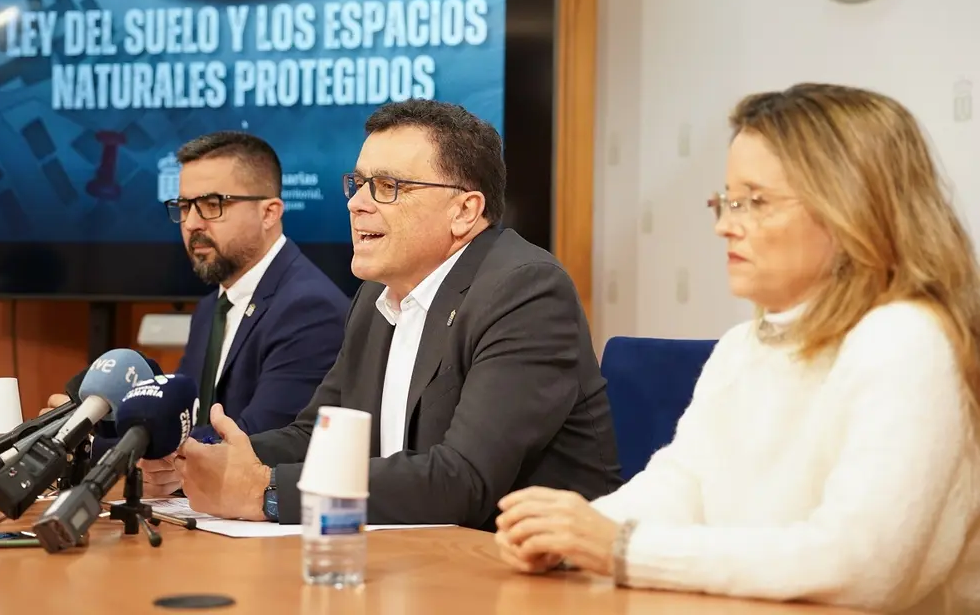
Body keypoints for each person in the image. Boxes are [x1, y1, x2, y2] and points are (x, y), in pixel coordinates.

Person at [494, 83, 980, 615]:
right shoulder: (743, 345)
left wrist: (619, 548)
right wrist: (569, 536)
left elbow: (859, 565)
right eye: (726, 200)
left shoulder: (907, 338)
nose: (726, 225)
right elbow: (684, 483)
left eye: (756, 202)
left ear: (852, 208)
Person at [169, 99, 622, 529]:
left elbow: (463, 479)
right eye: (358, 183)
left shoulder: (524, 291)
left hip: (528, 578)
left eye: (388, 187)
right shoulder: (375, 297)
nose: (356, 203)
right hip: (412, 561)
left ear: (465, 211)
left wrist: (265, 492)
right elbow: (316, 437)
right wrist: (193, 460)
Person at [45, 132, 349, 495]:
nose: (191, 224)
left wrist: (83, 447)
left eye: (212, 204)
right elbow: (180, 426)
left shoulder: (308, 308)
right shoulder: (212, 308)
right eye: (184, 206)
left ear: (269, 213)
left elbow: (253, 441)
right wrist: (87, 422)